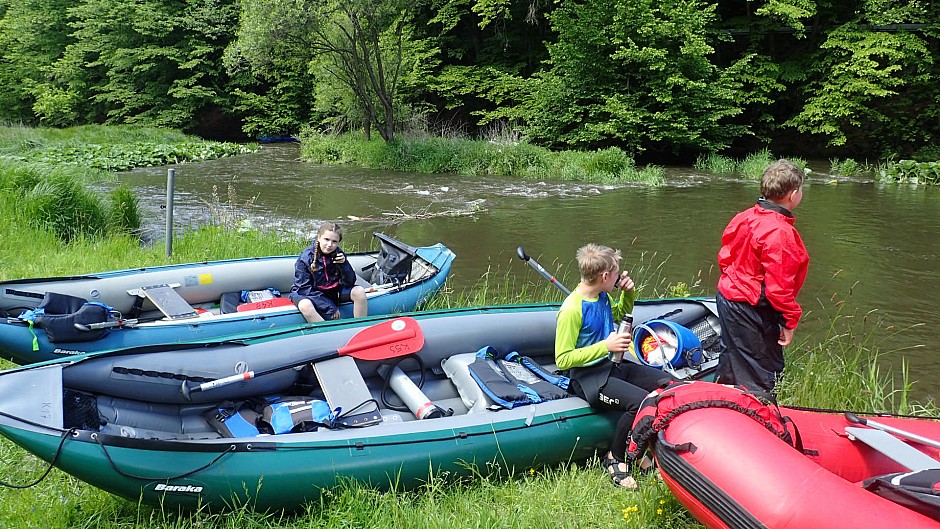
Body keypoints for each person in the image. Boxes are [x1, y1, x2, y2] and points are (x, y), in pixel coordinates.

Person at [555, 243, 676, 490]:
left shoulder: (601, 296)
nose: (621, 276)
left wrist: (628, 294)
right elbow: (563, 359)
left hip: (612, 365)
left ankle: (645, 450)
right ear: (605, 276)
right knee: (641, 402)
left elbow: (620, 315)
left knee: (667, 384)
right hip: (588, 377)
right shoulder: (571, 309)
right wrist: (605, 346)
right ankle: (615, 458)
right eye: (617, 273)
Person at [715, 159, 809, 395]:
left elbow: (725, 258)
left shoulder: (744, 217)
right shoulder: (780, 232)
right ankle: (760, 418)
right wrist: (789, 321)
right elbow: (779, 287)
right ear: (793, 194)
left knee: (731, 359)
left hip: (728, 297)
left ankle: (724, 402)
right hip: (751, 305)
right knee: (764, 372)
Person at [289, 222, 368, 323]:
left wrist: (344, 264)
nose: (330, 245)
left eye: (334, 241)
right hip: (310, 293)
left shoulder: (338, 254)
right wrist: (329, 307)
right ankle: (328, 334)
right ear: (319, 237)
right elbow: (304, 289)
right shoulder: (305, 258)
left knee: (359, 291)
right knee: (305, 306)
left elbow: (349, 282)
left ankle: (360, 327)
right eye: (326, 239)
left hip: (332, 291)